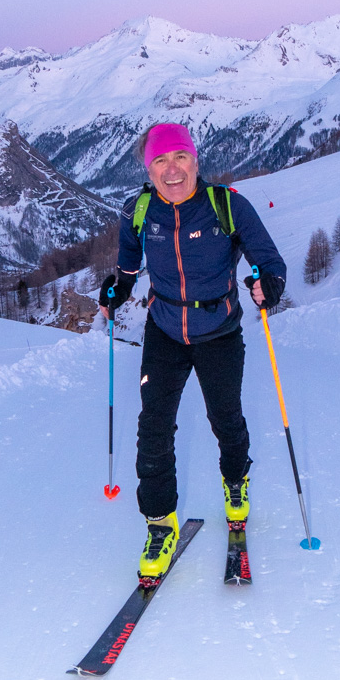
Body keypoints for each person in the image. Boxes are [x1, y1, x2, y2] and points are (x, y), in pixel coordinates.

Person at [99, 122, 286, 581]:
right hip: (164, 330)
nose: (172, 170)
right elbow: (127, 269)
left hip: (218, 330)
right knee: (153, 427)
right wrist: (117, 289)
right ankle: (160, 524)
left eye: (180, 157)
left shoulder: (227, 206)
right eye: (160, 161)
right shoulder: (139, 211)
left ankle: (235, 482)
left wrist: (269, 284)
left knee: (226, 418)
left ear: (195, 160)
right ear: (149, 170)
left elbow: (269, 260)